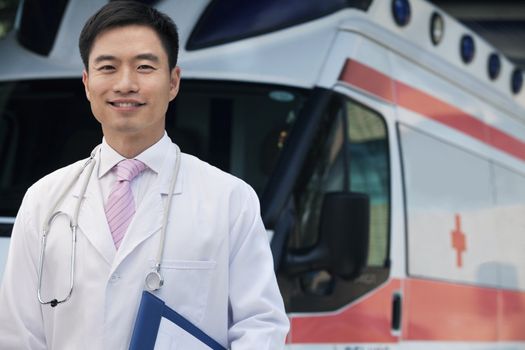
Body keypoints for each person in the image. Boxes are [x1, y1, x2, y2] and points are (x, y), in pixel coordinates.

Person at [0, 1, 289, 349]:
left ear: (173, 82)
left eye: (144, 67)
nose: (125, 83)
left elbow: (260, 326)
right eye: (108, 67)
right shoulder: (43, 201)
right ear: (88, 83)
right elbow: (18, 334)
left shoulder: (229, 199)